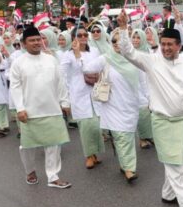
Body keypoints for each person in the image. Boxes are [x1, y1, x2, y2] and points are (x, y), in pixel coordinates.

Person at [116, 14, 183, 207]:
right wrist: (124, 29)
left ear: (179, 46)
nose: (166, 48)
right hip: (162, 122)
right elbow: (128, 52)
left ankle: (168, 194)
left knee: (176, 161)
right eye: (163, 44)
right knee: (175, 164)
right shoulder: (151, 61)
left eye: (170, 44)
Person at [9, 26, 71, 189]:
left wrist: (65, 102)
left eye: (39, 39)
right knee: (27, 146)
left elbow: (60, 82)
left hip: (52, 109)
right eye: (32, 40)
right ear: (23, 43)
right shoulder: (18, 63)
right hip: (29, 112)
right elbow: (14, 87)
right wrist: (20, 108)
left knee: (54, 144)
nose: (37, 42)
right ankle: (30, 171)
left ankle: (53, 176)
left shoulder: (51, 59)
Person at [80, 30, 145, 182]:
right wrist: (81, 56)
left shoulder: (134, 58)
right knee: (122, 136)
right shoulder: (106, 58)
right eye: (114, 41)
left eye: (120, 41)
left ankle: (124, 164)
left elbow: (143, 81)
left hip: (131, 104)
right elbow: (87, 69)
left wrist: (146, 100)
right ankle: (129, 168)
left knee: (128, 135)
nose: (117, 44)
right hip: (113, 104)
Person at [60, 25, 104, 169]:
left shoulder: (95, 51)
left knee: (97, 126)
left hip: (95, 93)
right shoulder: (68, 55)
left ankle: (95, 153)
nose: (83, 37)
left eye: (85, 35)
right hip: (79, 95)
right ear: (74, 38)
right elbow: (63, 75)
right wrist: (77, 53)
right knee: (86, 127)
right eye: (79, 35)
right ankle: (89, 155)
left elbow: (100, 68)